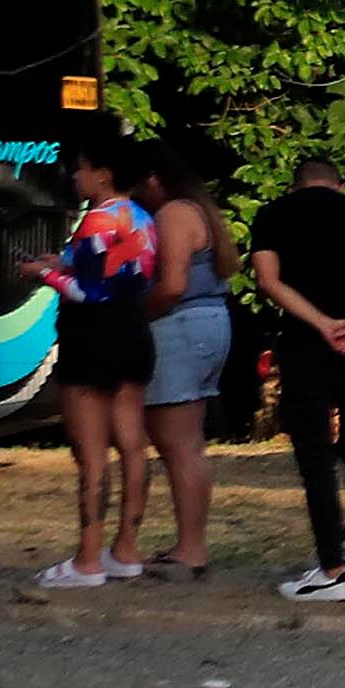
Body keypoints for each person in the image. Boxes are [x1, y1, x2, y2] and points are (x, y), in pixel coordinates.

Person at [249, 153, 345, 601]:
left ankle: (330, 565)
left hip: (306, 346)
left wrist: (321, 323)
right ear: (338, 185)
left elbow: (268, 280)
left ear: (297, 186)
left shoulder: (274, 215)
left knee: (315, 454)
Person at [26, 136, 159, 589]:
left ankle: (87, 558)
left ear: (103, 173)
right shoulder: (142, 218)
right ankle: (126, 548)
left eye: (81, 168)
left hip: (91, 337)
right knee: (134, 444)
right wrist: (62, 263)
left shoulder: (95, 221)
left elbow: (87, 290)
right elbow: (117, 272)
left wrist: (42, 274)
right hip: (133, 331)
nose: (75, 176)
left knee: (91, 452)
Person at [126, 145, 234, 580]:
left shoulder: (172, 214)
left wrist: (134, 316)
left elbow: (171, 285)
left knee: (177, 444)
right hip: (209, 323)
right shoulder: (201, 211)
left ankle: (191, 547)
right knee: (187, 442)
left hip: (180, 325)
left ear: (154, 179)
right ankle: (191, 543)